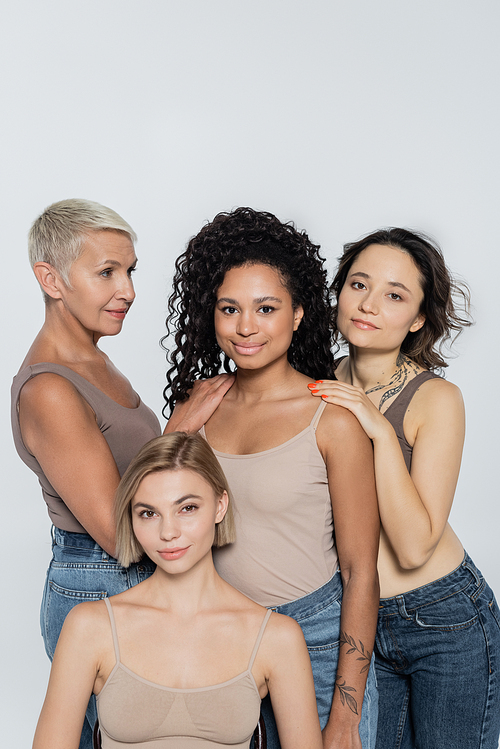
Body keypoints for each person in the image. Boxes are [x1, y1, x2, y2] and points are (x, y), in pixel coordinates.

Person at [163, 207, 380, 749]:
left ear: (299, 313)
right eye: (229, 309)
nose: (245, 327)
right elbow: (152, 521)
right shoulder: (200, 406)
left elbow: (360, 570)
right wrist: (176, 435)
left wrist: (347, 716)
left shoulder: (331, 418)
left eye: (266, 308)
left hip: (319, 642)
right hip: (219, 639)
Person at [308, 228, 500, 748]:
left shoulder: (436, 398)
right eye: (358, 284)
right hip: (357, 620)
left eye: (394, 295)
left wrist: (377, 430)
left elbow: (415, 546)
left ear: (418, 318)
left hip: (443, 620)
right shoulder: (317, 382)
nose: (368, 304)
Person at [32, 432, 323, 749]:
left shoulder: (276, 637)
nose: (167, 532)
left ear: (219, 506)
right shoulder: (90, 626)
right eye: (148, 513)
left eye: (187, 508)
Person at [12, 199, 167, 749]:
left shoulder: (94, 360)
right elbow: (115, 530)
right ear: (50, 279)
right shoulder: (51, 388)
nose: (126, 290)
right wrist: (186, 433)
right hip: (99, 583)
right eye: (106, 272)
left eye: (129, 271)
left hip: (125, 582)